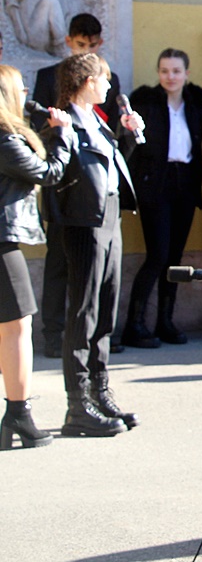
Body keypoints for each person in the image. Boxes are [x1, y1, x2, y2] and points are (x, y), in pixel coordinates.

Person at [42, 53, 145, 437]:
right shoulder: (63, 120)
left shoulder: (96, 120)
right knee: (83, 311)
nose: (109, 85)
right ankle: (78, 403)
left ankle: (100, 392)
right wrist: (62, 133)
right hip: (82, 220)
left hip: (109, 214)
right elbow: (61, 171)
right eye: (104, 78)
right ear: (87, 81)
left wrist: (126, 136)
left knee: (105, 307)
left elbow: (107, 169)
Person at [32, 13, 124, 359]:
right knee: (58, 260)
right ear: (69, 41)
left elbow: (110, 135)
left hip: (97, 189)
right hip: (64, 184)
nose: (86, 50)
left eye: (92, 45)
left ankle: (100, 337)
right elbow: (38, 128)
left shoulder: (108, 81)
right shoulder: (49, 77)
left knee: (101, 273)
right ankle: (53, 333)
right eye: (80, 44)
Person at [0, 65, 70, 448]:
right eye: (21, 88)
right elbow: (49, 172)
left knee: (13, 326)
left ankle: (17, 412)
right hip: (2, 243)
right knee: (17, 326)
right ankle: (18, 413)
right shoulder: (5, 142)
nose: (28, 93)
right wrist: (62, 135)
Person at [121, 49, 202, 348]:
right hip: (156, 185)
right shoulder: (146, 102)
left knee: (174, 258)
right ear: (158, 73)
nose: (170, 77)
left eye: (176, 71)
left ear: (186, 74)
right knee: (157, 255)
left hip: (184, 184)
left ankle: (165, 321)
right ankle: (134, 324)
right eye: (165, 71)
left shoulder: (194, 103)